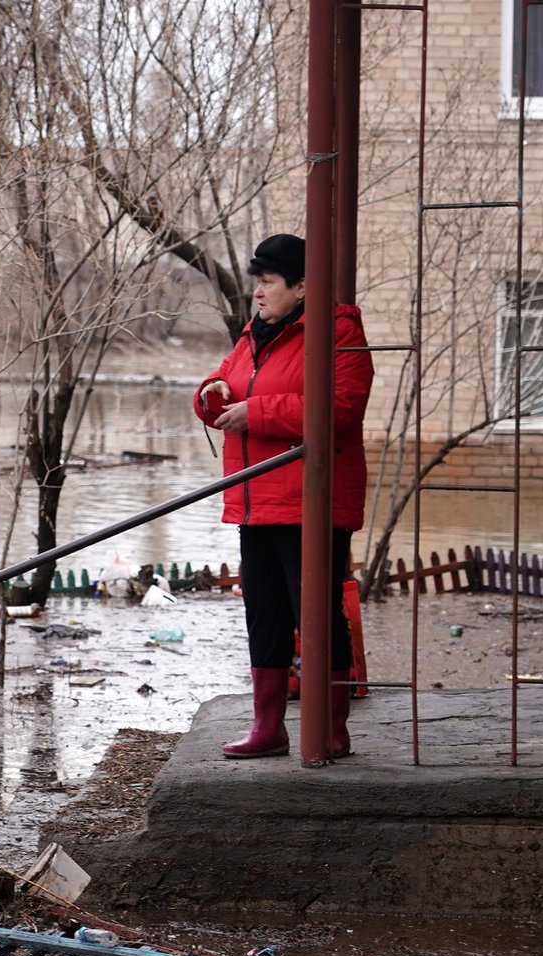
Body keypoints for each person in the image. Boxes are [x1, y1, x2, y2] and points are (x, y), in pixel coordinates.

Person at [192, 234, 374, 764]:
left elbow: (340, 408)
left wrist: (257, 412)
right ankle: (267, 727)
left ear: (302, 286)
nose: (258, 293)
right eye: (257, 283)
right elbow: (227, 379)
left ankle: (331, 729)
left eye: (268, 282)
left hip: (310, 501)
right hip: (256, 498)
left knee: (316, 615)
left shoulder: (340, 335)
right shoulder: (256, 333)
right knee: (265, 616)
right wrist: (212, 394)